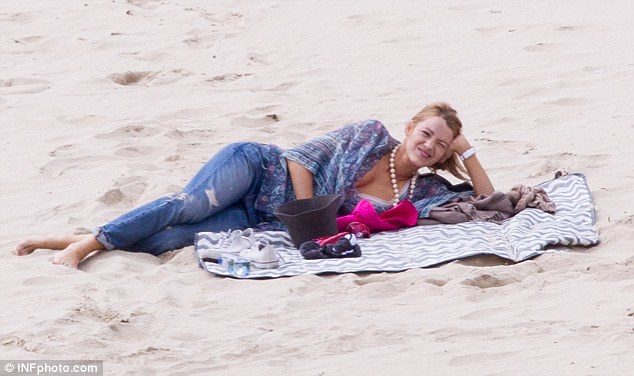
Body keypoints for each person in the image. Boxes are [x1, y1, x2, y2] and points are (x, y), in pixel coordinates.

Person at [15, 102, 494, 268]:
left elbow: (486, 201)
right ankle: (83, 248)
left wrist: (468, 150)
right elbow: (299, 158)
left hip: (258, 217)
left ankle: (80, 237)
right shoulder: (369, 134)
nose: (429, 145)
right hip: (257, 168)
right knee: (187, 205)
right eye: (425, 132)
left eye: (442, 144)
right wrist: (312, 222)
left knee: (167, 240)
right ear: (411, 127)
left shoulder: (422, 192)